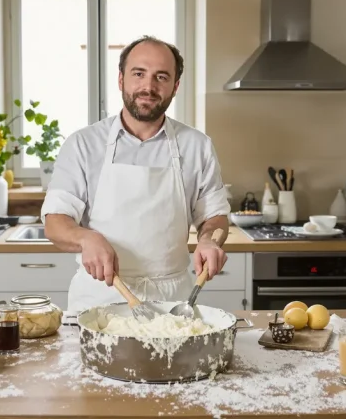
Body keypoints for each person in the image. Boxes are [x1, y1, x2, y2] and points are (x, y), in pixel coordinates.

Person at [41, 35, 231, 313]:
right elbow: (55, 222)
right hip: (100, 298)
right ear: (121, 79)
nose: (148, 86)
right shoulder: (83, 144)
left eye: (161, 77)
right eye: (138, 74)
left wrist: (208, 240)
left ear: (175, 87)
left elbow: (215, 217)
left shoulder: (197, 146)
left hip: (172, 303)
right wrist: (86, 238)